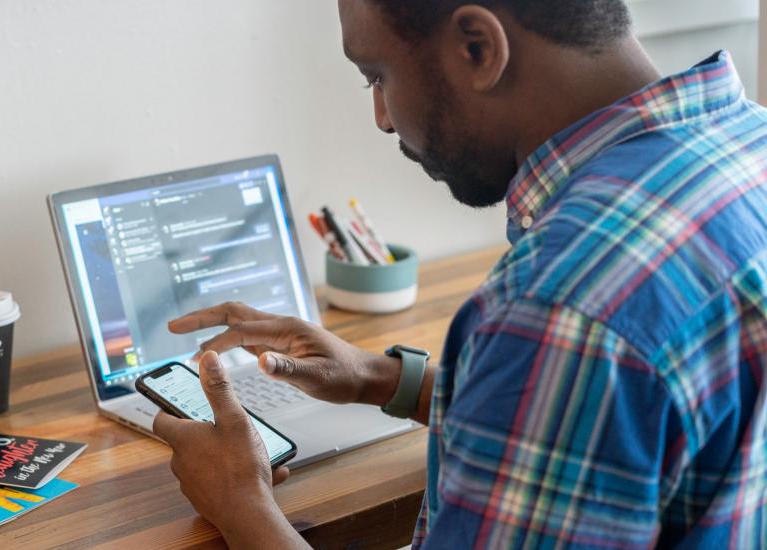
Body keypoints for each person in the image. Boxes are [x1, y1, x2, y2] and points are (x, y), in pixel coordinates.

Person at [153, 0, 767, 548]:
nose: (382, 119)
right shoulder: (750, 146)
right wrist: (382, 378)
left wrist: (243, 506)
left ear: (478, 48)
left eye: (377, 76)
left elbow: (576, 352)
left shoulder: (560, 307)